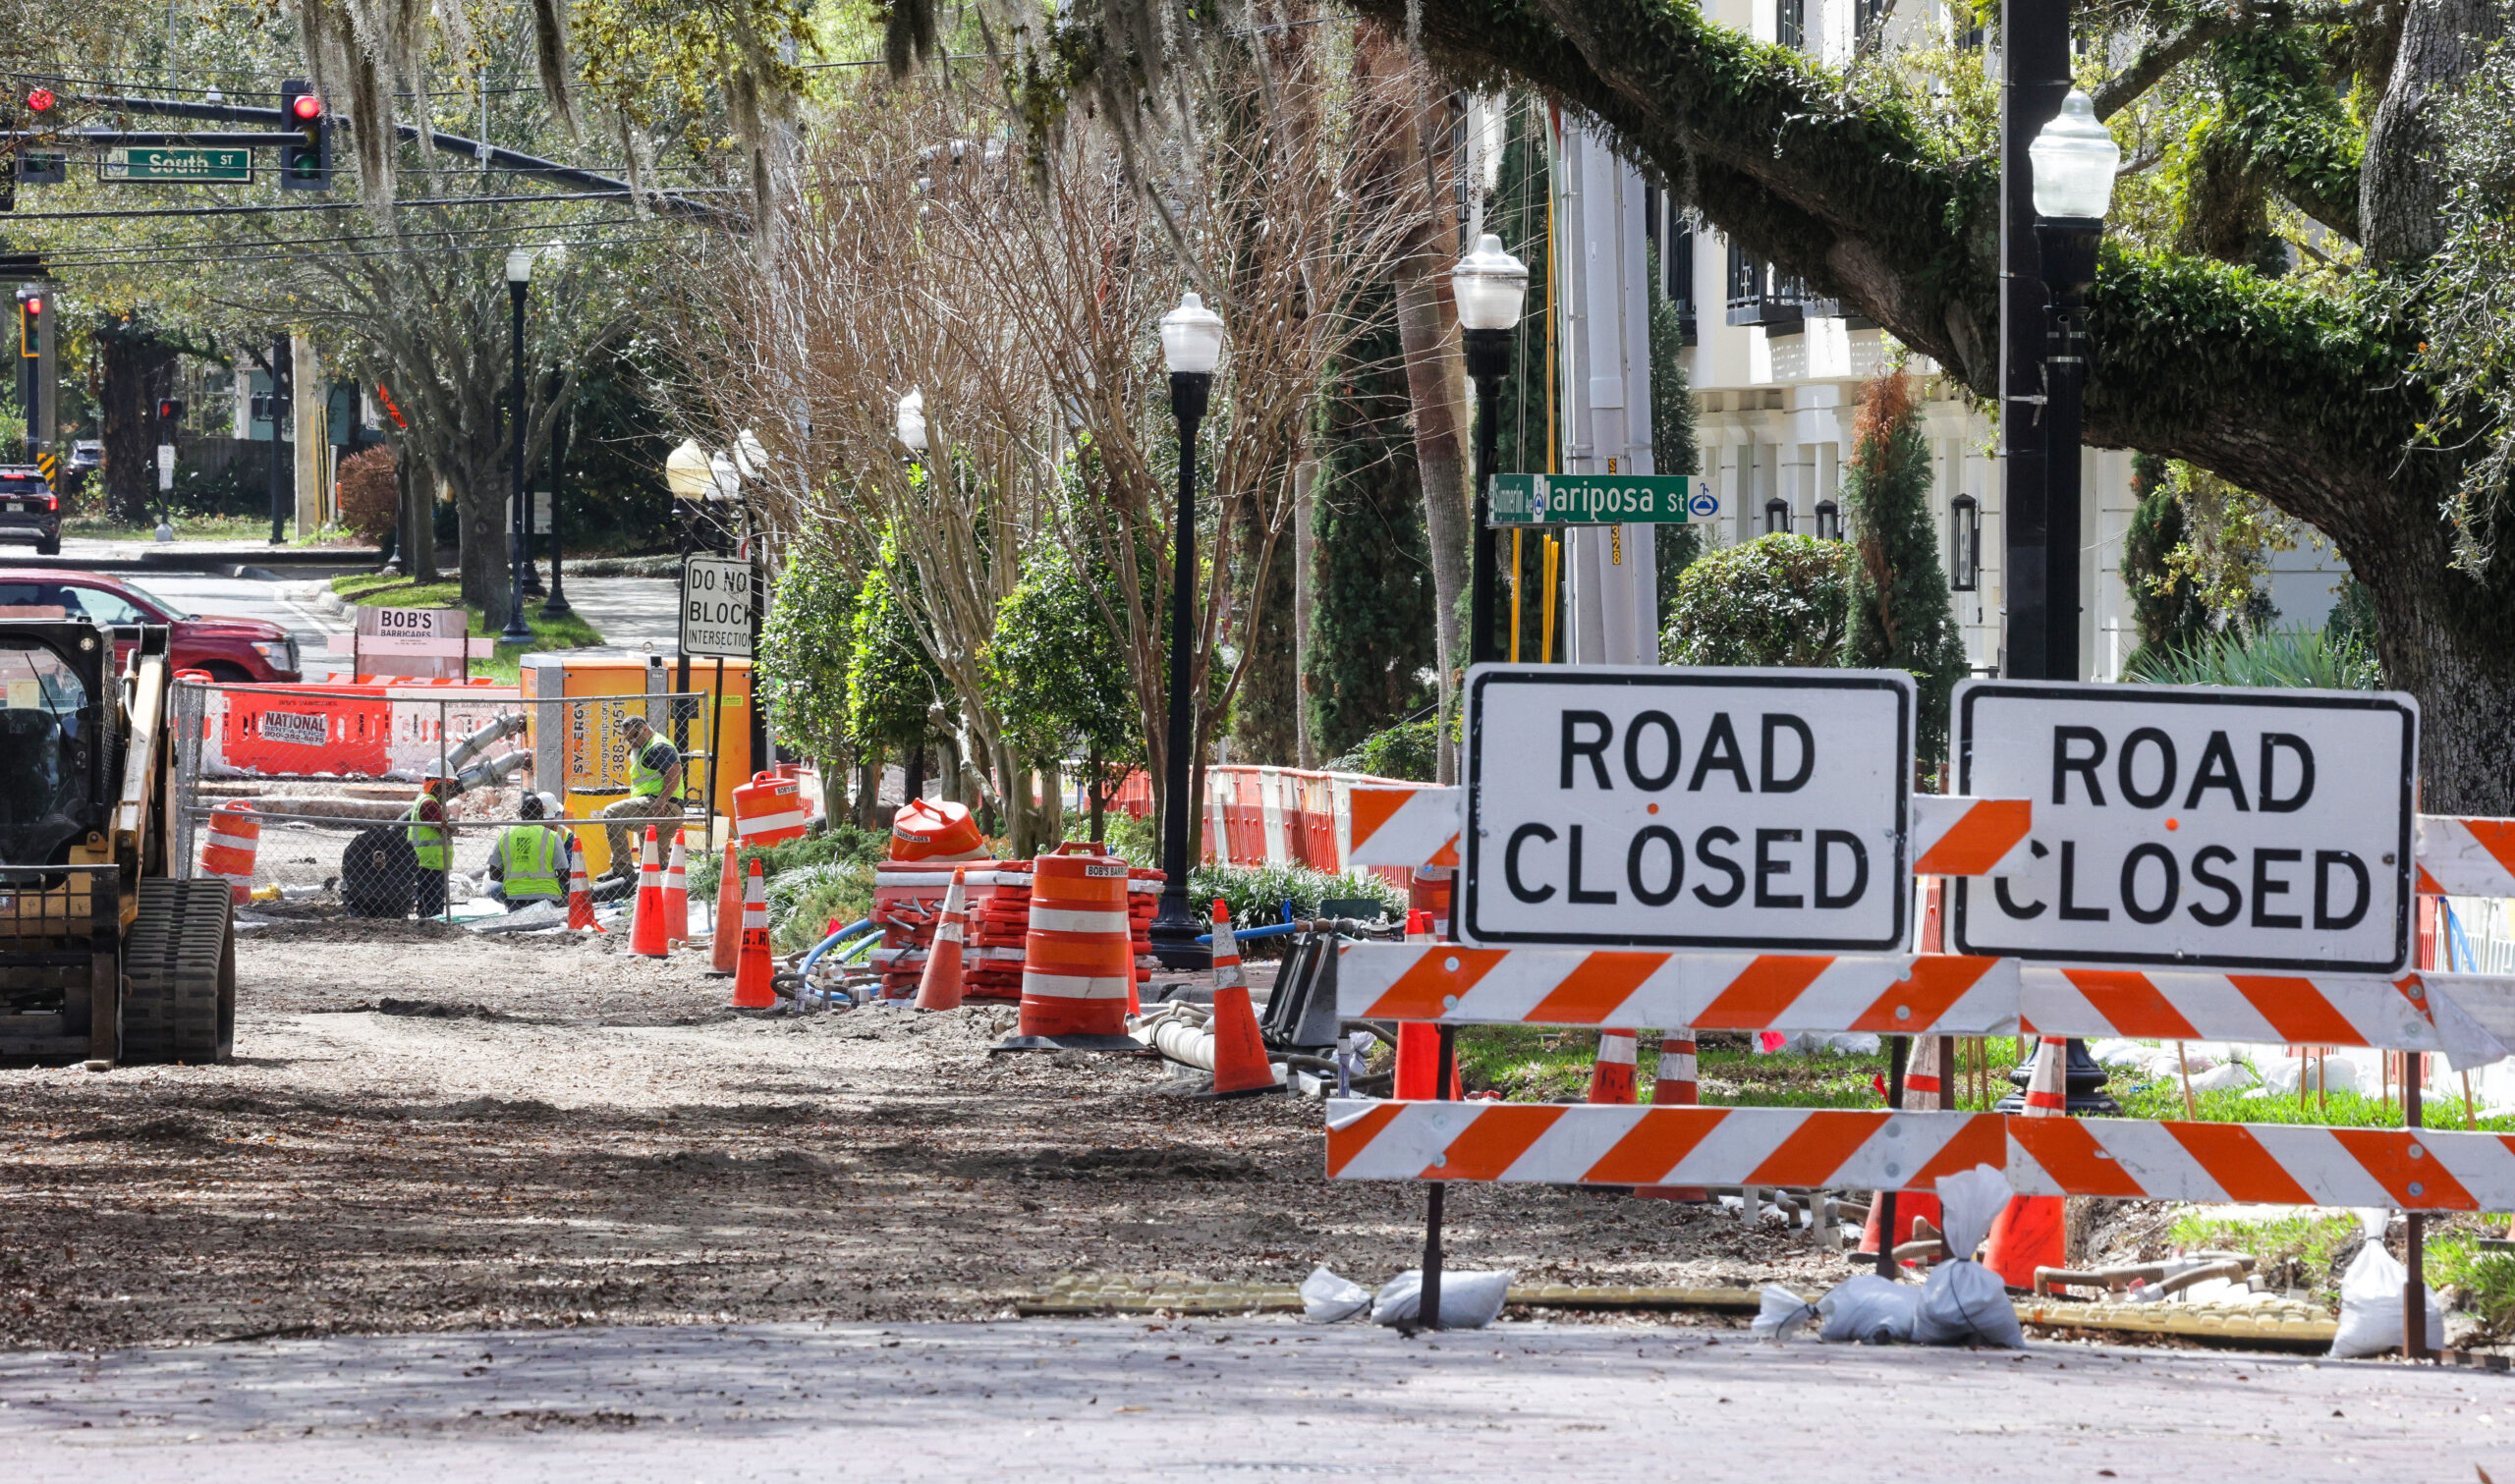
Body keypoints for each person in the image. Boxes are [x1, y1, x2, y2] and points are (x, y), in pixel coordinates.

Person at [601, 712, 683, 881]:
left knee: (611, 813)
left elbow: (674, 773)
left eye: (633, 737)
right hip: (665, 810)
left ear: (644, 729)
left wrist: (661, 801)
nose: (631, 742)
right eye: (627, 739)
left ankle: (622, 868)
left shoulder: (658, 747)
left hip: (660, 807)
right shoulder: (647, 749)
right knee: (653, 867)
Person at [485, 792, 569, 909]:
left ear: (520, 814)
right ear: (542, 813)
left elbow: (494, 874)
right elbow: (564, 874)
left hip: (514, 897)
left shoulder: (506, 835)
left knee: (495, 889)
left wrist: (515, 881)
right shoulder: (552, 836)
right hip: (547, 894)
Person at [404, 777, 450, 918]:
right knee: (432, 904)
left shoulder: (425, 799)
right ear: (437, 786)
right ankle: (431, 927)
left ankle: (426, 924)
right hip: (429, 862)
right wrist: (452, 823)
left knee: (426, 901)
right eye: (447, 787)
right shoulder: (429, 803)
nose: (449, 792)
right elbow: (446, 830)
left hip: (425, 860)